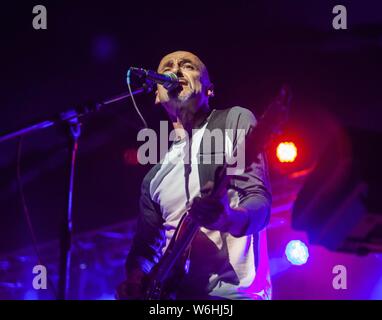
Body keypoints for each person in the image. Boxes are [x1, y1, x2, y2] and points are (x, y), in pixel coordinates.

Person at [116, 51, 272, 300]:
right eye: (168, 67)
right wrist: (135, 281)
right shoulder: (154, 179)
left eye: (187, 66)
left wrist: (229, 218)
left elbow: (260, 202)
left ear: (209, 89)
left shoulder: (234, 120)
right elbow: (144, 251)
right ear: (157, 94)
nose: (175, 71)